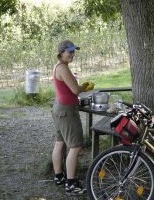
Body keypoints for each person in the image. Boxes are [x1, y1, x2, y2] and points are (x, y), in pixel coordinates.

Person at [51, 39, 93, 194]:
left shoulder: (59, 67)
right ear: (61, 53)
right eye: (69, 51)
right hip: (67, 111)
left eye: (73, 51)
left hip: (59, 108)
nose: (72, 54)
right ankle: (71, 183)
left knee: (60, 142)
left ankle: (59, 177)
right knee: (75, 147)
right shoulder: (62, 68)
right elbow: (75, 90)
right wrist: (86, 86)